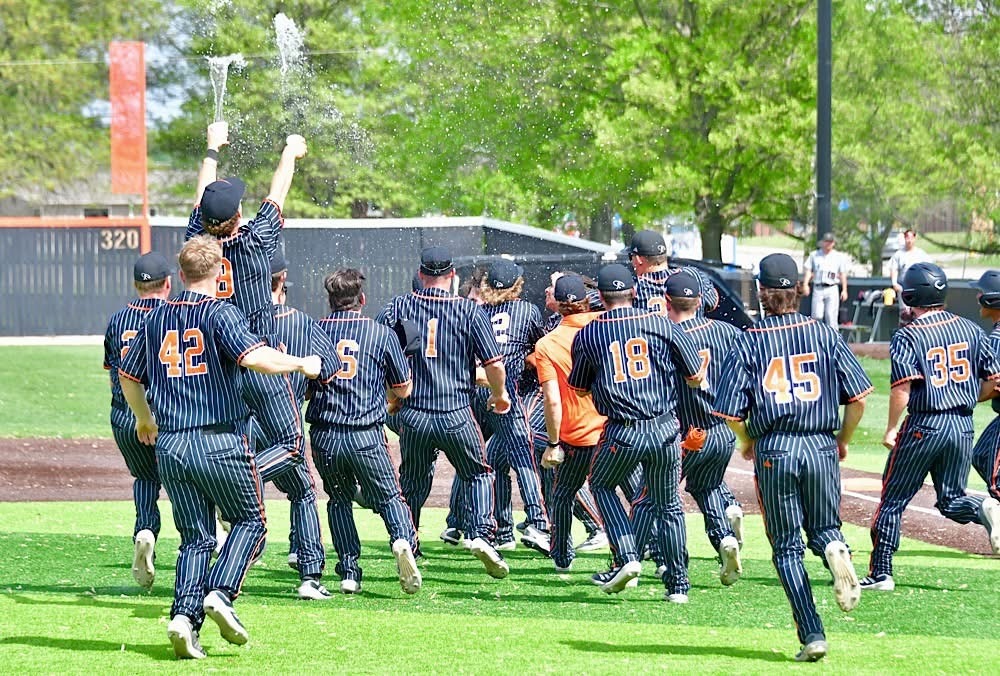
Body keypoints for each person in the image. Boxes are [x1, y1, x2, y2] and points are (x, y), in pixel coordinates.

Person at [118, 235, 323, 660]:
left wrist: (143, 418)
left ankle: (183, 619)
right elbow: (254, 358)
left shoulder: (154, 319)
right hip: (219, 441)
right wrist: (302, 363)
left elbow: (128, 376)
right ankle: (221, 594)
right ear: (219, 272)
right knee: (251, 522)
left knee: (195, 539)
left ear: (180, 274)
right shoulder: (220, 311)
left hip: (172, 445)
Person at [713, 252, 871, 662]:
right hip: (819, 443)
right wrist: (842, 438)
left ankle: (812, 634)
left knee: (785, 547)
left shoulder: (748, 339)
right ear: (800, 289)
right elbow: (857, 399)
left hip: (775, 449)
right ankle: (835, 546)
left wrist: (746, 440)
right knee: (823, 529)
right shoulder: (823, 333)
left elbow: (729, 412)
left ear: (762, 293)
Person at [186, 121, 319, 484]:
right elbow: (278, 192)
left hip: (213, 369)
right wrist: (290, 151)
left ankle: (218, 494)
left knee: (225, 441)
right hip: (259, 361)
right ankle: (237, 482)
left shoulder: (198, 244)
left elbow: (201, 199)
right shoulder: (257, 241)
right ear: (239, 216)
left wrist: (212, 148)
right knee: (290, 445)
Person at [567, 263, 703, 602]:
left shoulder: (589, 333)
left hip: (622, 431)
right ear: (635, 292)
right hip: (665, 429)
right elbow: (694, 377)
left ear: (599, 296)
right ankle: (678, 587)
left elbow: (580, 390)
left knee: (600, 484)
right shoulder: (661, 324)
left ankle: (627, 554)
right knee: (668, 505)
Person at [376, 245, 512, 579]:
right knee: (478, 473)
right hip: (456, 412)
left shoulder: (400, 305)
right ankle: (480, 533)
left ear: (421, 274)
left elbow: (378, 347)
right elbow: (494, 364)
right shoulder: (468, 311)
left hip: (415, 413)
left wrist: (391, 396)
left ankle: (407, 538)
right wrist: (500, 395)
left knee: (412, 481)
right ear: (452, 276)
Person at [863, 262, 1000, 592]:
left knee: (892, 500)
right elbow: (996, 380)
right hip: (962, 425)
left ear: (909, 295)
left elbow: (902, 388)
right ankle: (985, 505)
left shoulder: (908, 335)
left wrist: (891, 428)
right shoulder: (970, 330)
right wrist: (966, 396)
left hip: (924, 424)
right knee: (951, 500)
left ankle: (881, 573)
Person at [308, 268, 421, 596]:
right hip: (365, 435)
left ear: (330, 300)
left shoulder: (315, 331)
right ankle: (402, 541)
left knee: (339, 500)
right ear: (362, 299)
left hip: (326, 434)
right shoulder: (380, 334)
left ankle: (349, 571)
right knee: (389, 498)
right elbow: (403, 388)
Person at [443, 260, 550, 553]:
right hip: (506, 391)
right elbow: (538, 349)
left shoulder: (472, 311)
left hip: (475, 390)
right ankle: (538, 522)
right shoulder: (527, 310)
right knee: (524, 457)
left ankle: (458, 522)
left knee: (473, 459)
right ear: (517, 285)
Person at [662, 270, 743, 583]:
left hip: (691, 433)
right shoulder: (727, 332)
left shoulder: (669, 335)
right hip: (724, 430)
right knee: (705, 487)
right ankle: (724, 538)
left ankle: (664, 561)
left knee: (658, 497)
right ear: (700, 300)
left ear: (667, 300)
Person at [265, 253, 337, 599]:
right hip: (283, 419)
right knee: (304, 491)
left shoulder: (234, 319)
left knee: (240, 500)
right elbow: (330, 369)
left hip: (241, 424)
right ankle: (309, 575)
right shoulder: (302, 322)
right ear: (283, 281)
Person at [103, 251, 172, 589]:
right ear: (168, 283)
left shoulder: (118, 319)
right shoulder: (174, 316)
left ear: (135, 285)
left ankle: (145, 530)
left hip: (124, 415)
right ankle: (207, 541)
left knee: (145, 478)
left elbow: (113, 371)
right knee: (183, 481)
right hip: (166, 414)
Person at [534, 273, 608, 572]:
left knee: (563, 493)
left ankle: (562, 556)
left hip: (575, 434)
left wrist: (552, 444)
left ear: (558, 305)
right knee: (633, 494)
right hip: (612, 428)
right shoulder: (606, 326)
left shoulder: (548, 343)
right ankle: (649, 551)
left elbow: (552, 400)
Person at [628, 229, 719, 316]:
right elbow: (713, 303)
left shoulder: (633, 285)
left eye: (631, 257)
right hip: (692, 331)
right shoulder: (693, 275)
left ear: (638, 259)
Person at [970, 270, 1000, 501]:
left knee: (996, 480)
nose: (977, 297)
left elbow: (994, 385)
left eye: (980, 293)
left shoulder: (997, 338)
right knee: (981, 456)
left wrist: (965, 397)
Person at [802, 232, 850, 328]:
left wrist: (844, 290)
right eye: (826, 241)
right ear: (822, 242)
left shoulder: (838, 256)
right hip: (818, 287)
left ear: (833, 243)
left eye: (830, 242)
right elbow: (808, 270)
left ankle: (833, 340)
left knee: (831, 316)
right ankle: (816, 339)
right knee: (816, 316)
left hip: (832, 288)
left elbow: (843, 274)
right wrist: (805, 284)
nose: (828, 244)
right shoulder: (814, 255)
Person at [888, 229, 931, 325]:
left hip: (918, 288)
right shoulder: (899, 254)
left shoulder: (921, 254)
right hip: (904, 288)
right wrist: (894, 283)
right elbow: (893, 269)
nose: (909, 240)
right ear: (904, 238)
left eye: (911, 237)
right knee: (905, 315)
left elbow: (929, 268)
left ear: (914, 238)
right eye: (907, 237)